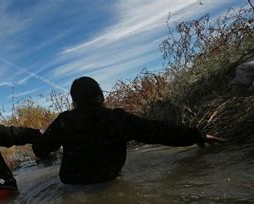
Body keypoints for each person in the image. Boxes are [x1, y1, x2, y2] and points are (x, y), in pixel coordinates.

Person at [32, 76, 226, 184]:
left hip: (72, 188)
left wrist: (37, 136)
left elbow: (40, 150)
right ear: (100, 95)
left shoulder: (64, 121)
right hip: (108, 183)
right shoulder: (117, 119)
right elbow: (158, 131)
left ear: (74, 101)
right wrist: (196, 135)